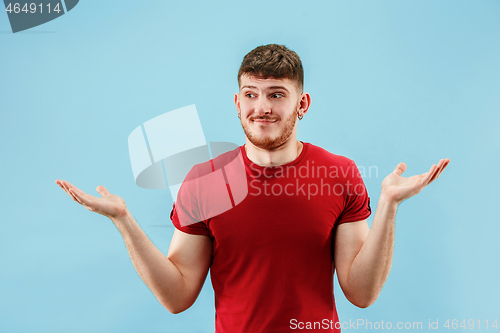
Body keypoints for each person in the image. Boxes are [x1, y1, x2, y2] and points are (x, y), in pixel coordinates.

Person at [56, 44, 450, 333]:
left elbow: (361, 293)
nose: (261, 107)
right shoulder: (204, 182)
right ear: (237, 101)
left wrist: (389, 205)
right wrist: (124, 219)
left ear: (302, 103)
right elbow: (177, 297)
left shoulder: (340, 174)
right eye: (251, 94)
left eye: (276, 94)